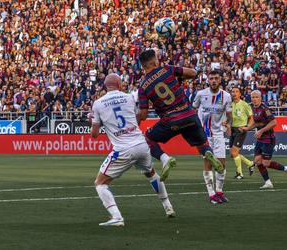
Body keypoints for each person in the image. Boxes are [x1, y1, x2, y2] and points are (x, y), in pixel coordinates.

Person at [91, 73, 175, 227]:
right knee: (151, 174)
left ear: (105, 86)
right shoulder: (129, 97)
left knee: (100, 183)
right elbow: (139, 116)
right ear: (120, 84)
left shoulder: (98, 104)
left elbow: (94, 134)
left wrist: (98, 121)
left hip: (123, 149)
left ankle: (116, 217)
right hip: (141, 145)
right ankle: (168, 206)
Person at [138, 49, 224, 183]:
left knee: (147, 138)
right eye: (157, 58)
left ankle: (164, 159)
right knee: (202, 143)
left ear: (143, 66)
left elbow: (143, 115)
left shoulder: (143, 86)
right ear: (154, 62)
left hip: (171, 121)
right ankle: (207, 152)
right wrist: (179, 78)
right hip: (189, 115)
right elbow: (193, 73)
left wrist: (135, 119)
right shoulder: (166, 69)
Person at [193, 70, 232, 204]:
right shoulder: (201, 94)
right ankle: (211, 194)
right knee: (208, 162)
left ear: (220, 80)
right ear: (208, 80)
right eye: (211, 78)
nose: (213, 81)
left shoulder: (226, 96)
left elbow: (229, 116)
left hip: (218, 133)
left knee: (221, 164)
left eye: (216, 78)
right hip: (204, 135)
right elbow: (193, 110)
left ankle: (219, 192)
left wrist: (228, 124)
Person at [242, 90, 287, 189]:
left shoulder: (265, 109)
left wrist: (261, 131)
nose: (254, 99)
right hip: (260, 139)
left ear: (260, 98)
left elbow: (274, 123)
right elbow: (255, 122)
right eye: (252, 97)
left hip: (268, 139)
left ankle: (285, 168)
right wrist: (247, 128)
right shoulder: (252, 107)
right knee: (258, 161)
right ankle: (268, 182)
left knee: (265, 163)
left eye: (256, 97)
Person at [230, 87, 255, 179]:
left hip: (241, 130)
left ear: (240, 94)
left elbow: (252, 118)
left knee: (234, 152)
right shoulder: (230, 104)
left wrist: (247, 128)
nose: (234, 93)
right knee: (233, 153)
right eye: (233, 92)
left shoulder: (245, 104)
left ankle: (240, 174)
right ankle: (250, 164)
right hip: (232, 129)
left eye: (236, 92)